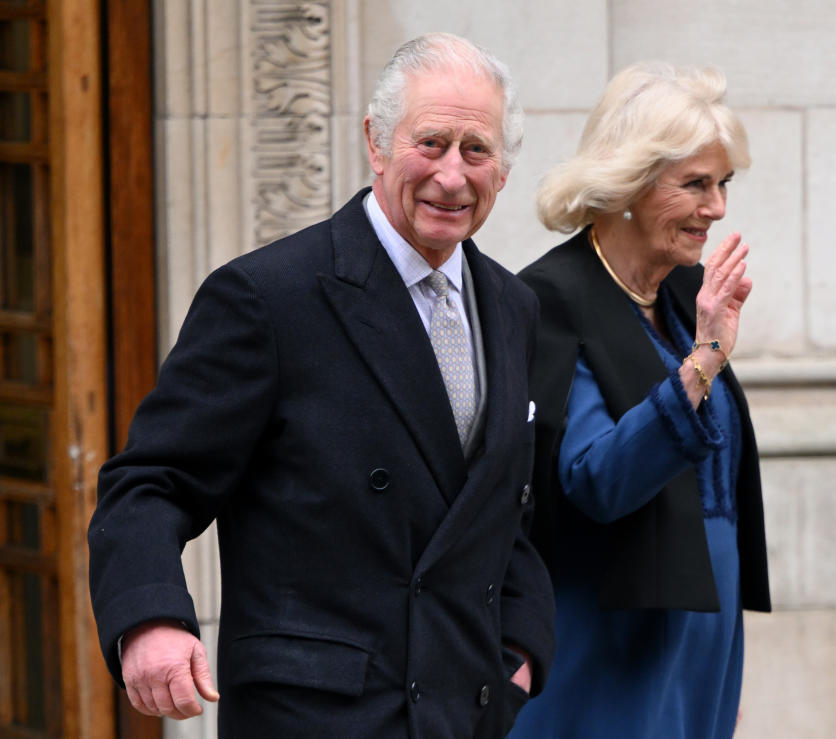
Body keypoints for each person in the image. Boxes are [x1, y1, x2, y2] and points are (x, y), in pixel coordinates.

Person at [88, 32, 554, 737]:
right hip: (316, 716)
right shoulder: (267, 297)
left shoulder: (513, 306)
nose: (452, 176)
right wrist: (150, 617)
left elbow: (503, 512)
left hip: (467, 711)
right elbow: (152, 480)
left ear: (504, 168)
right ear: (375, 141)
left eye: (476, 150)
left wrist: (519, 649)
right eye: (429, 143)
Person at [508, 63, 771, 738]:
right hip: (609, 635)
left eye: (722, 185)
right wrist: (703, 360)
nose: (715, 207)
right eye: (695, 184)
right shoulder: (551, 299)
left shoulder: (682, 295)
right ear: (627, 184)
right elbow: (596, 480)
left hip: (700, 631)